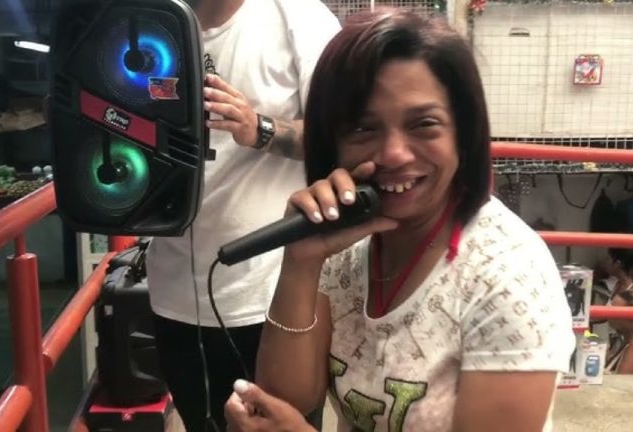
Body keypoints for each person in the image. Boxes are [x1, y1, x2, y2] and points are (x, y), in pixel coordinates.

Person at [224, 8, 575, 432]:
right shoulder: (345, 239)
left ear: (463, 134)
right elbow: (285, 400)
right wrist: (301, 261)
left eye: (424, 124)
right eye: (362, 129)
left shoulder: (507, 275)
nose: (393, 154)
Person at [144, 0, 341, 430]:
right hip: (173, 293)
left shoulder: (299, 16)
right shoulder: (149, 21)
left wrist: (260, 128)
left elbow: (341, 135)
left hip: (272, 296)